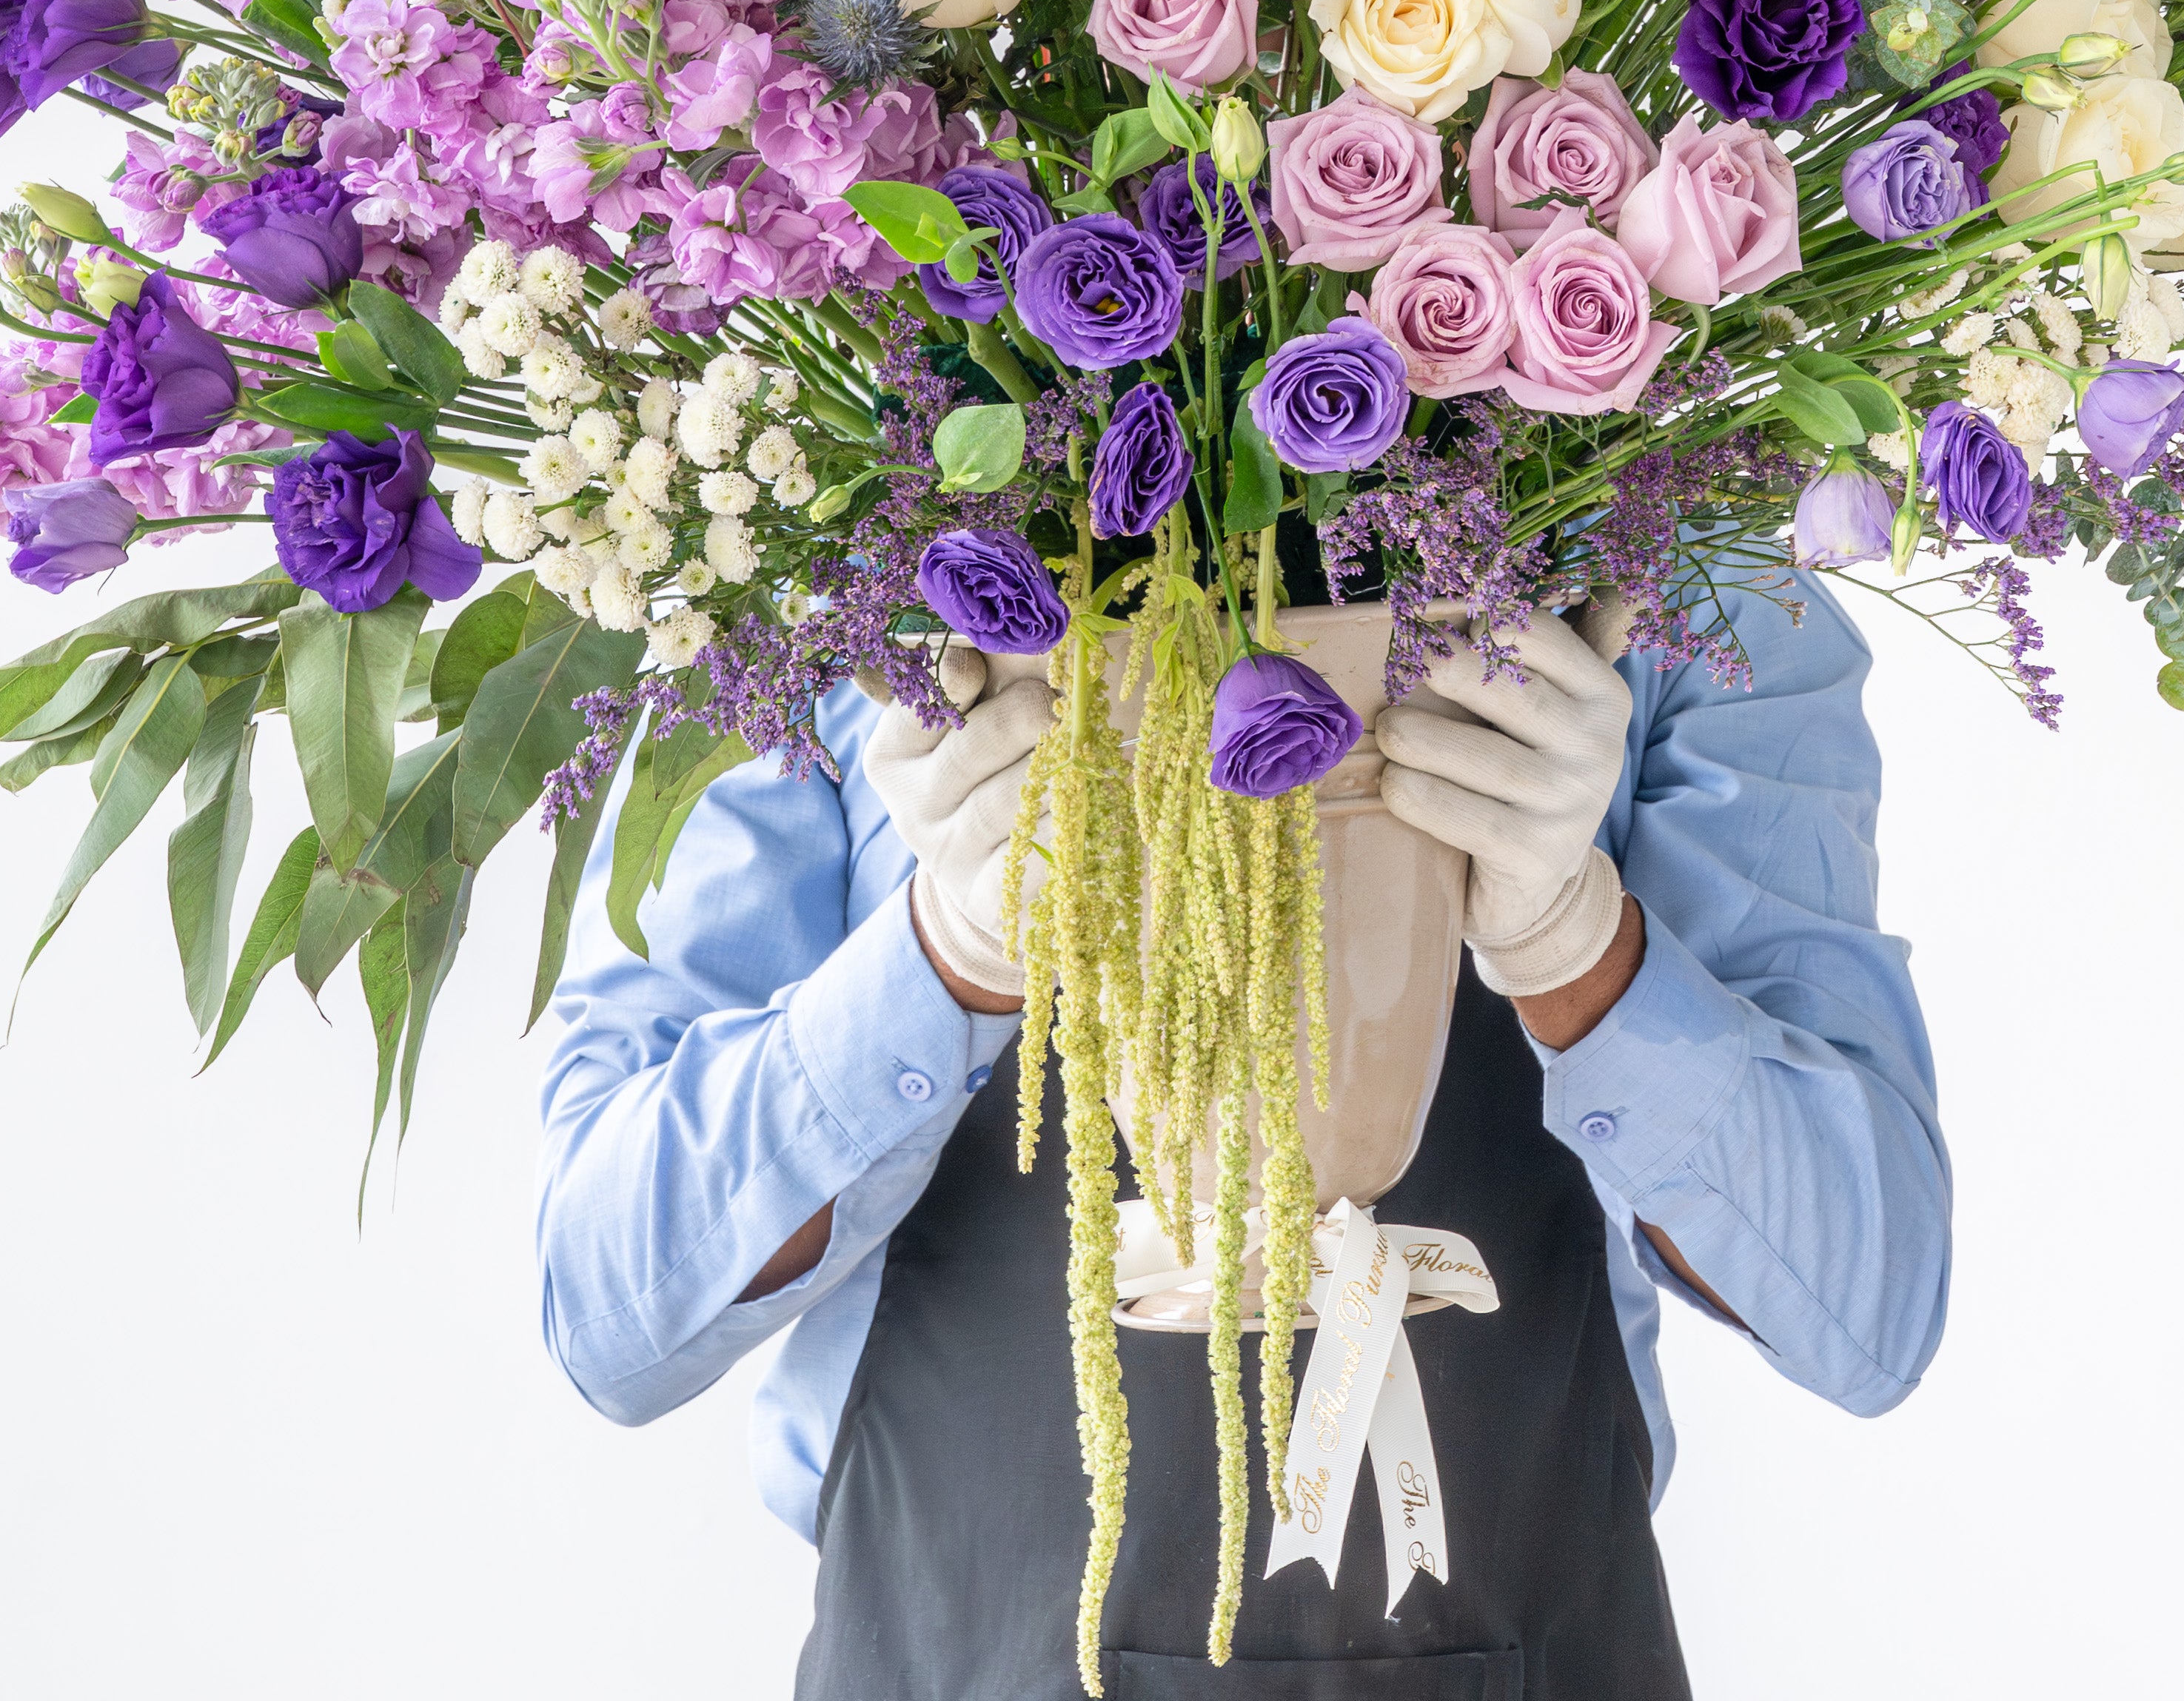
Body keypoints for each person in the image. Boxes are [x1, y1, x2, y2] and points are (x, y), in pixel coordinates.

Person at [537, 580, 1949, 1697]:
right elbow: (612, 1312)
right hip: (948, 1651)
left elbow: (1869, 1307)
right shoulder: (812, 594)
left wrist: (1582, 952)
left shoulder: (1676, 591)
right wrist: (944, 956)